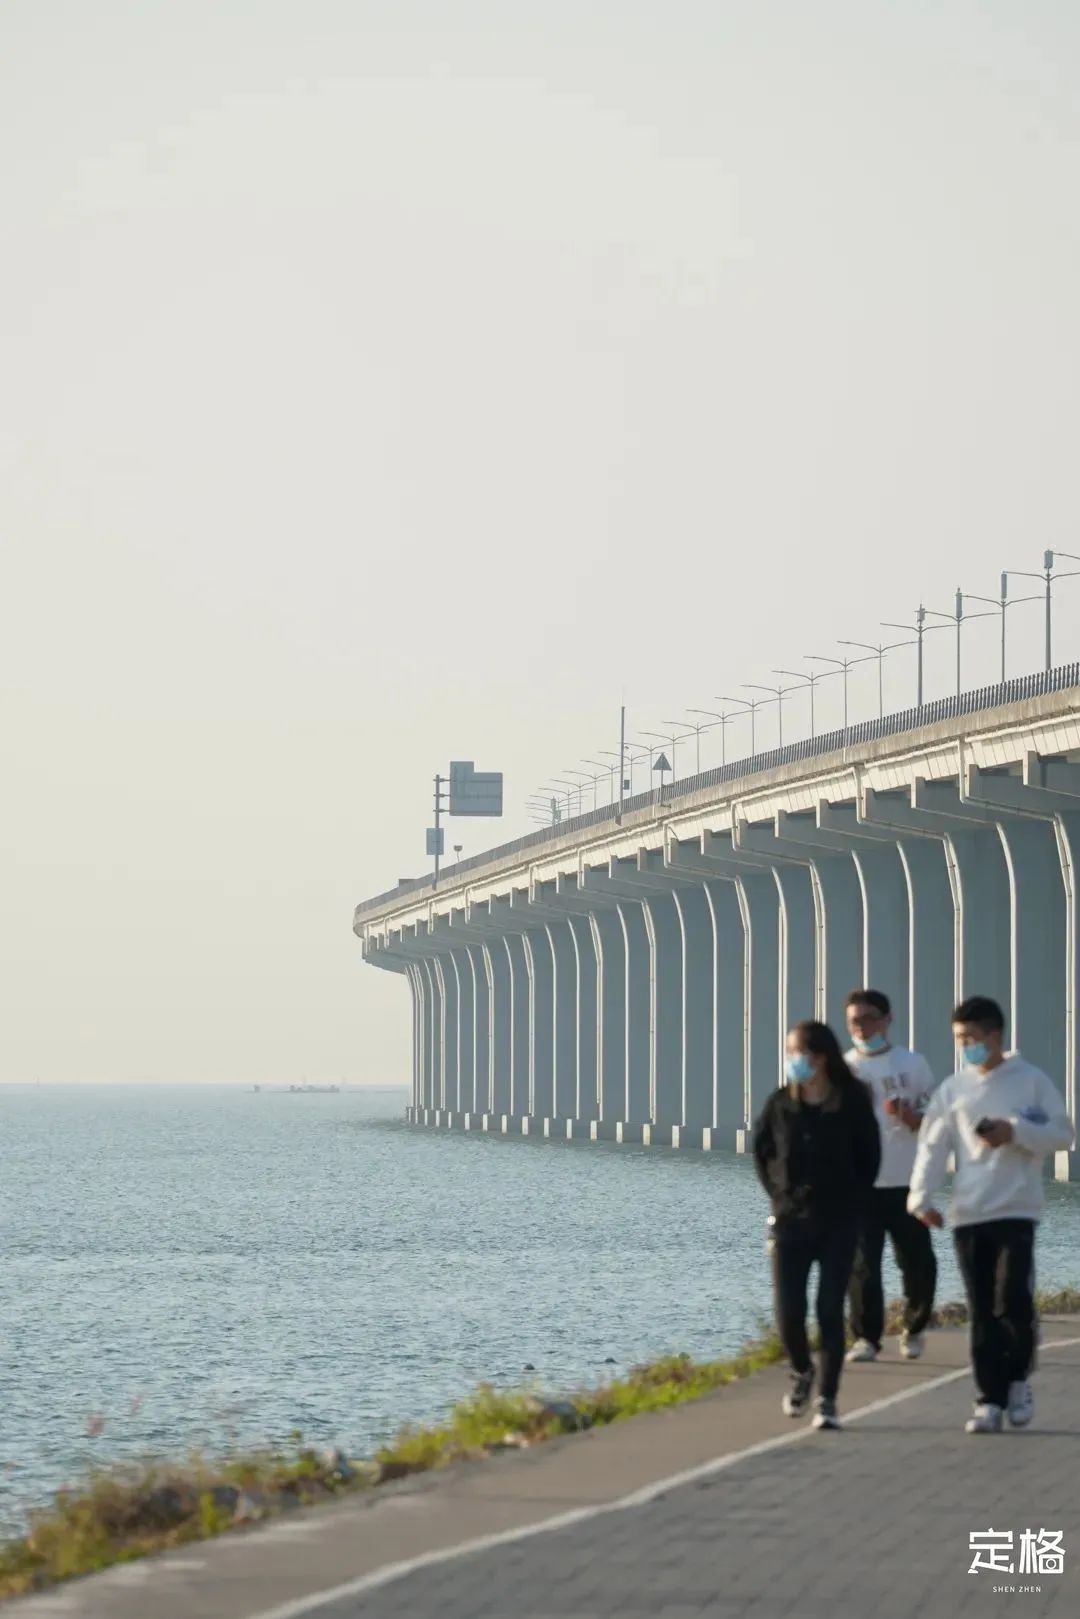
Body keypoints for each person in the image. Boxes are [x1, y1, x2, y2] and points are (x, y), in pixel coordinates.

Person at [908, 995, 1075, 1434]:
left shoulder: (1031, 1081)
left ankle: (1018, 1381)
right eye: (959, 1039)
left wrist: (1015, 1131)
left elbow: (1062, 1134)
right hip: (969, 1213)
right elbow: (932, 1146)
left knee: (1012, 1300)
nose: (966, 1047)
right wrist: (920, 1200)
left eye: (971, 1038)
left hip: (1017, 1210)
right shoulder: (953, 1090)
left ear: (995, 1035)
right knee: (982, 1309)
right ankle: (988, 1399)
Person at [753, 1020, 881, 1431]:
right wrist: (778, 1194)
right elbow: (761, 1151)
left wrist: (854, 1201)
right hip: (789, 1221)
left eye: (800, 1053)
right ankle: (801, 1370)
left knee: (829, 1309)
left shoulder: (851, 1102)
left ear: (821, 1057)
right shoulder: (780, 1103)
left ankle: (827, 1399)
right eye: (790, 1053)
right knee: (789, 1312)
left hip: (838, 1222)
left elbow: (869, 1156)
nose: (793, 1060)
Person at [843, 988, 938, 1363]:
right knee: (863, 1265)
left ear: (887, 1020)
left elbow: (935, 1120)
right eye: (855, 1021)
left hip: (907, 1180)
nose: (862, 1028)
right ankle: (866, 1338)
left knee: (916, 1262)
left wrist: (911, 1117)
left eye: (869, 1019)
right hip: (861, 1183)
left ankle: (914, 1327)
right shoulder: (844, 1069)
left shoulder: (912, 1064)